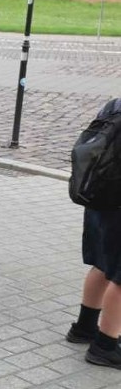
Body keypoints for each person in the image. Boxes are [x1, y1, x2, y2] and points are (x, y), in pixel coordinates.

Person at [67, 98, 121, 369]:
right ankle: (105, 345)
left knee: (101, 264)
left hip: (100, 195)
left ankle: (84, 327)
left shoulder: (115, 104)